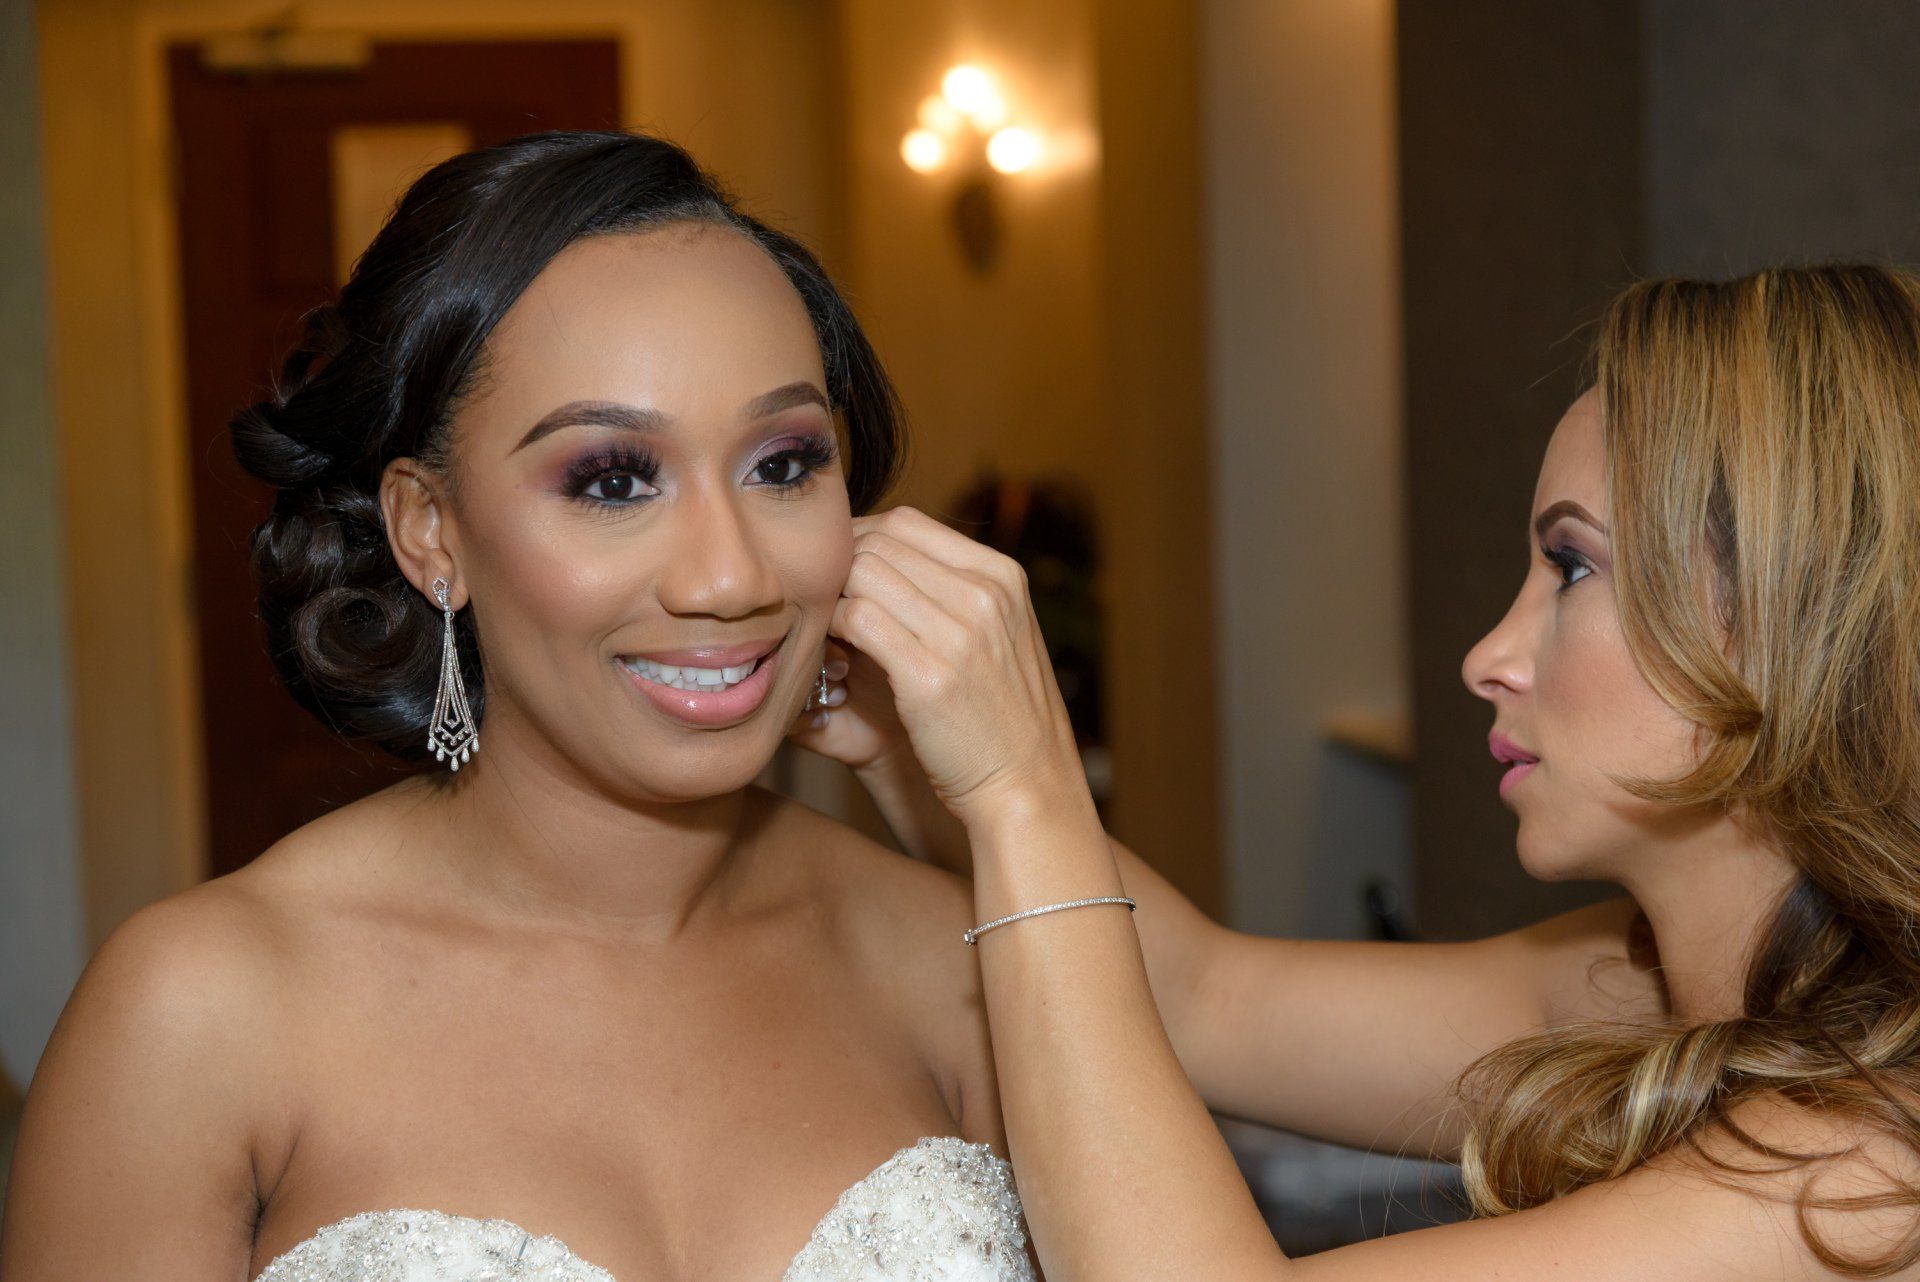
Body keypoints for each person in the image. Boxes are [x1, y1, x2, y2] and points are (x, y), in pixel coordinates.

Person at [0, 131, 1035, 1281]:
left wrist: (1016, 801)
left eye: (783, 463)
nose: (730, 577)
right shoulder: (201, 1013)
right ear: (429, 532)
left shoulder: (960, 959)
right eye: (611, 479)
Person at [808, 265, 1920, 1278]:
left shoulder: (1866, 1173)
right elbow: (1207, 997)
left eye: (1571, 566)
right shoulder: (1632, 993)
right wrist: (912, 755)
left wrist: (1024, 790)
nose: (1490, 656)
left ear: (1796, 626)